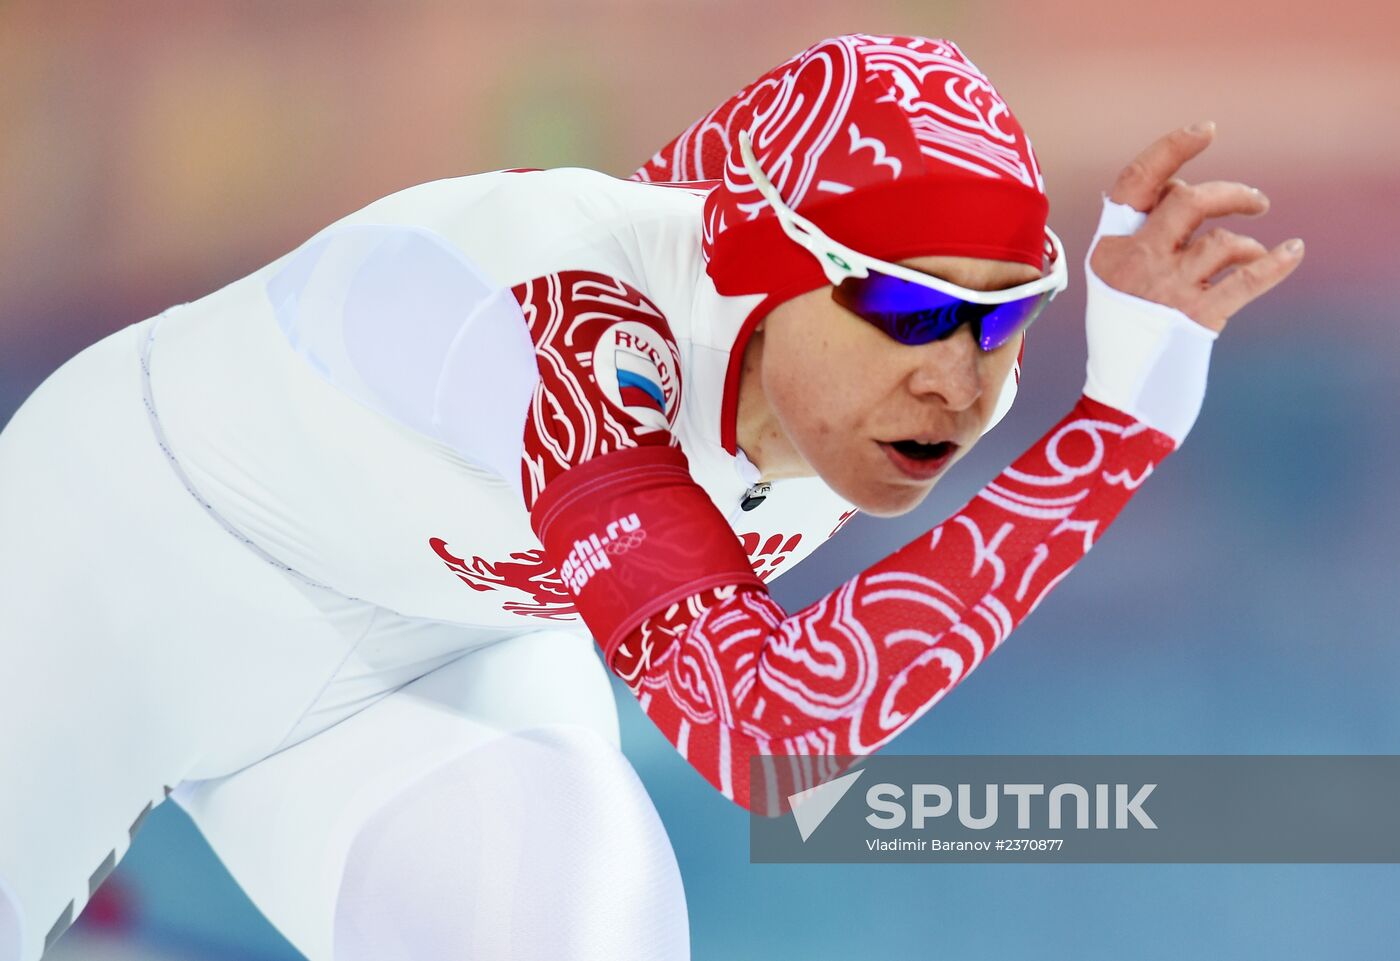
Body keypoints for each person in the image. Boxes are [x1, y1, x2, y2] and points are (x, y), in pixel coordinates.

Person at [0, 34, 1301, 961]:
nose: (958, 380)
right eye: (909, 305)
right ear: (768, 260)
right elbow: (774, 736)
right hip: (116, 568)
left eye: (1008, 316)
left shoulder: (879, 381)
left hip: (433, 661)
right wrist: (1122, 427)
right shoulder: (554, 319)